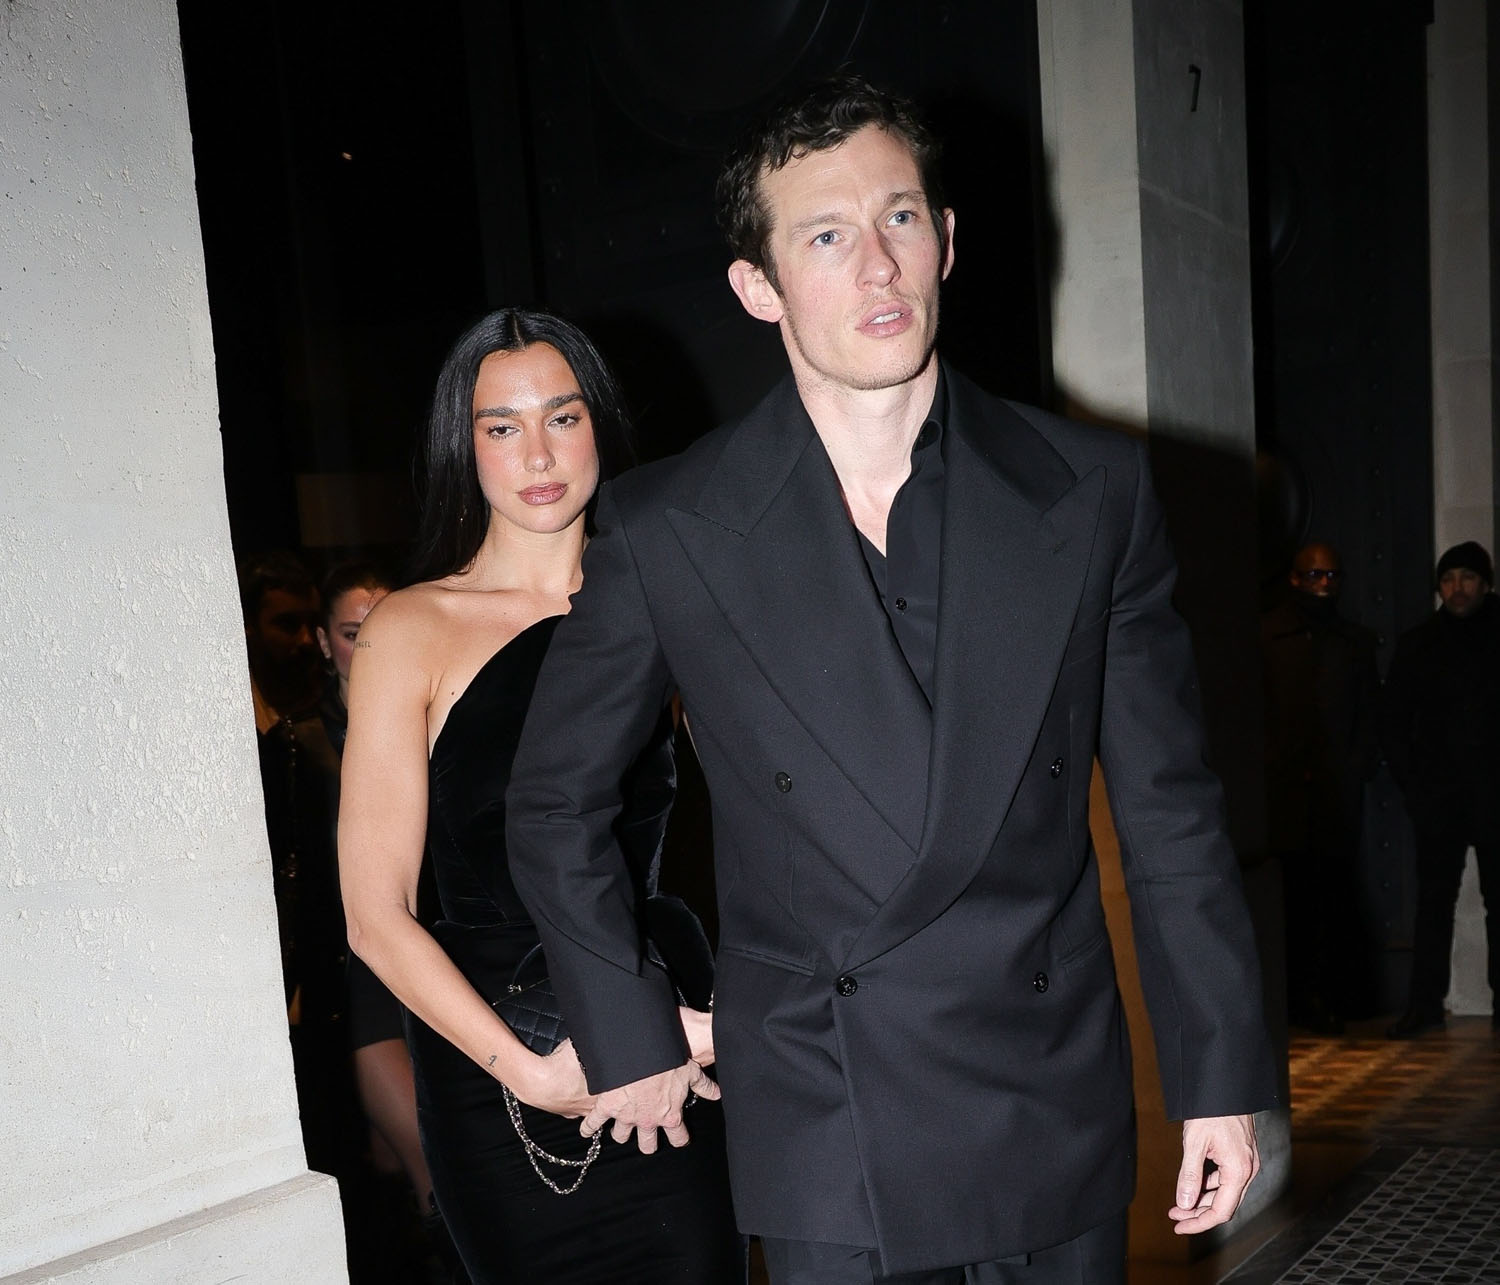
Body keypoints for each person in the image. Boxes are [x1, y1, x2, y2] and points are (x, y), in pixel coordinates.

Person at [505, 76, 1278, 1284]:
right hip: (827, 1110)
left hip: (1046, 1091)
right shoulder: (670, 529)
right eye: (825, 236)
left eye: (900, 218)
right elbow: (554, 802)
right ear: (758, 287)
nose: (877, 265)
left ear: (947, 240)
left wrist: (1219, 1076)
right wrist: (625, 1024)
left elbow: (1171, 809)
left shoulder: (1092, 491)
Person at [337, 309, 742, 1284]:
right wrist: (529, 1072)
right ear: (464, 444)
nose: (538, 454)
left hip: (670, 1030)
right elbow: (374, 915)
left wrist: (729, 1019)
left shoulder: (672, 601)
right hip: (498, 1070)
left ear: (599, 422)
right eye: (502, 426)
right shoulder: (411, 628)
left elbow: (764, 830)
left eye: (563, 416)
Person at [239, 551, 354, 1175]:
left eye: (309, 624)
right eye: (285, 624)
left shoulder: (322, 720)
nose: (304, 642)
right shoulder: (236, 721)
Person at [1260, 542, 1380, 1031]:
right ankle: (1295, 999)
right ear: (1295, 579)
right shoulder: (1267, 637)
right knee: (1290, 898)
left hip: (1335, 793)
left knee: (1334, 896)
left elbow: (1368, 715)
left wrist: (1353, 770)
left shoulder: (1353, 643)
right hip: (1283, 795)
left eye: (1331, 576)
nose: (1324, 584)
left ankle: (1332, 998)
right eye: (1314, 576)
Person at [1383, 540, 1500, 1038]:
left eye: (1467, 577)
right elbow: (1394, 723)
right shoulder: (1418, 644)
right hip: (1439, 799)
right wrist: (1416, 787)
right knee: (1433, 904)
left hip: (1495, 795)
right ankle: (1424, 1005)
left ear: (1485, 583)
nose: (1457, 588)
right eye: (1448, 579)